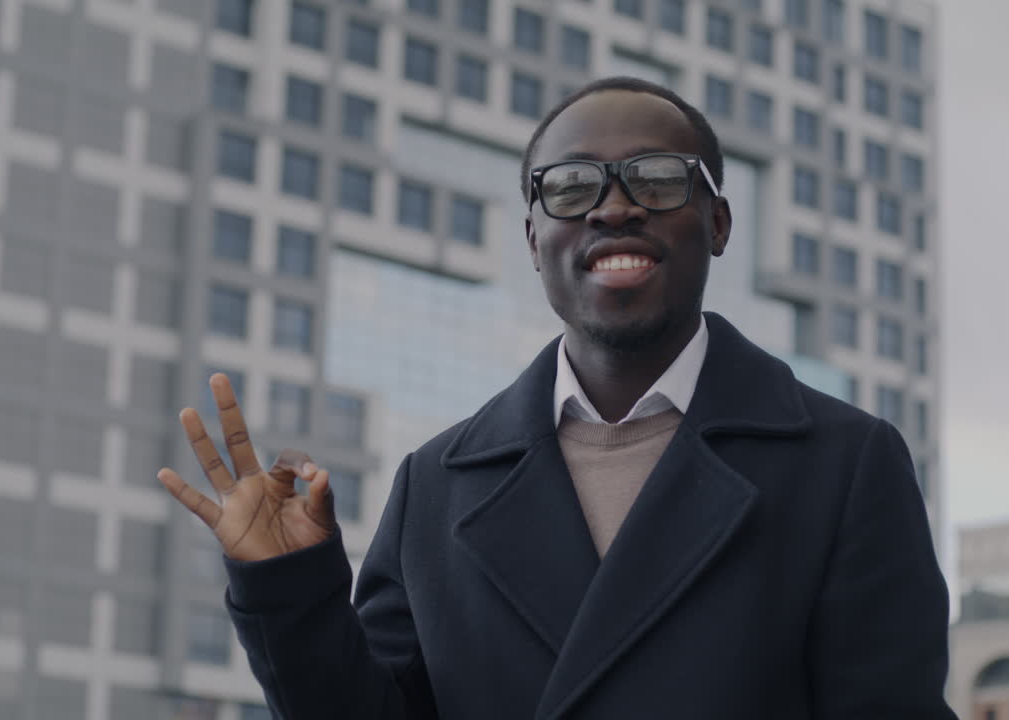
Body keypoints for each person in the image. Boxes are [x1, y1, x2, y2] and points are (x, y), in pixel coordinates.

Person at [158, 76, 957, 719]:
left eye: (656, 179)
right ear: (534, 239)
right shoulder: (435, 485)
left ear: (717, 223)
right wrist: (289, 588)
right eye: (571, 187)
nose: (615, 206)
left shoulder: (845, 464)